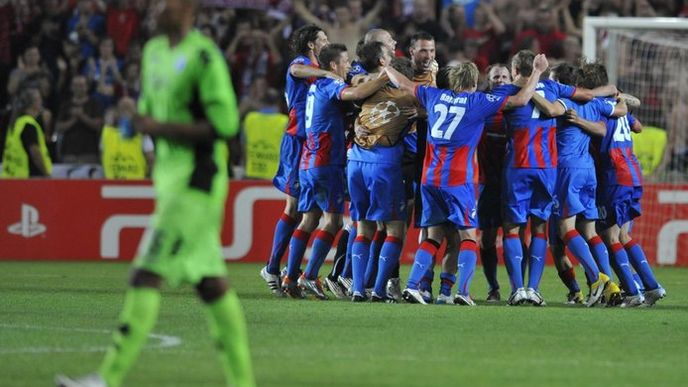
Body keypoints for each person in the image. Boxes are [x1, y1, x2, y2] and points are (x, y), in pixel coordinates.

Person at [55, 1, 255, 387]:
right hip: (169, 181)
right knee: (211, 284)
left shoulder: (203, 57)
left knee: (145, 273)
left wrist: (159, 127)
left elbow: (226, 124)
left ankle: (107, 379)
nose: (153, 8)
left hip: (197, 182)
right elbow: (148, 109)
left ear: (185, 8)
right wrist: (138, 125)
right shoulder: (153, 52)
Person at [389, 54, 550, 306]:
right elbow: (521, 99)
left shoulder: (433, 95)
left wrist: (385, 66)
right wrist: (538, 72)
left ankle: (413, 286)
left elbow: (402, 83)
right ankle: (463, 292)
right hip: (458, 179)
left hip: (429, 178)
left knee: (434, 235)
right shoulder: (477, 101)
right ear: (474, 84)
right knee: (467, 237)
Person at [491, 51, 617, 306]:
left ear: (515, 70)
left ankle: (518, 290)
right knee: (540, 229)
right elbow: (586, 95)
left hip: (518, 166)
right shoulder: (552, 87)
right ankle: (535, 290)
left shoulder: (505, 92)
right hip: (548, 168)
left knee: (513, 229)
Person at [282, 43, 389, 299]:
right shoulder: (330, 85)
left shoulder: (314, 87)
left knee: (309, 219)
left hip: (308, 162)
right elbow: (354, 94)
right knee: (334, 222)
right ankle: (309, 277)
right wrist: (386, 77)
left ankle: (290, 276)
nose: (348, 65)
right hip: (327, 162)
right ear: (333, 65)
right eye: (344, 61)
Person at [529, 62, 628, 307]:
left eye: (553, 82)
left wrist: (528, 89)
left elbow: (551, 110)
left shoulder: (566, 103)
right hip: (588, 170)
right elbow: (621, 110)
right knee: (590, 232)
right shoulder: (595, 104)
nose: (550, 86)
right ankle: (610, 285)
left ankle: (597, 281)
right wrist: (619, 96)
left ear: (562, 84)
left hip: (566, 168)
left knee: (565, 229)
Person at [260, 24, 339, 297]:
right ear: (311, 45)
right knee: (294, 208)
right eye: (323, 39)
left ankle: (292, 273)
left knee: (311, 214)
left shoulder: (321, 72)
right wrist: (327, 71)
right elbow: (295, 70)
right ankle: (272, 268)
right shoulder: (304, 63)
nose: (327, 42)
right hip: (297, 142)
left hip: (313, 145)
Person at [585, 63, 666, 307]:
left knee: (609, 236)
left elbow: (599, 129)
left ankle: (632, 292)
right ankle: (651, 286)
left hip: (615, 174)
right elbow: (638, 127)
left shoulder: (599, 108)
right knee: (622, 234)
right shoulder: (619, 109)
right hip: (632, 171)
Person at [347, 42, 418, 302]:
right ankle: (378, 290)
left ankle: (357, 288)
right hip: (384, 164)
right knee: (395, 230)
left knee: (363, 227)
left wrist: (356, 123)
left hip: (355, 161)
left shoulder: (366, 93)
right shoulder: (408, 97)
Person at [477, 63, 511, 302]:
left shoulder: (521, 103)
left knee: (514, 235)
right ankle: (493, 288)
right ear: (489, 81)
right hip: (487, 182)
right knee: (486, 238)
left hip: (513, 181)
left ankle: (520, 287)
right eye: (495, 76)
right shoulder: (480, 105)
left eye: (504, 76)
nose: (500, 79)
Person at [1, 88, 52, 178]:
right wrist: (46, 173)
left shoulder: (16, 122)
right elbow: (35, 152)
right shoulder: (28, 125)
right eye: (39, 99)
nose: (41, 102)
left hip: (12, 175)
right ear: (34, 103)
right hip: (28, 177)